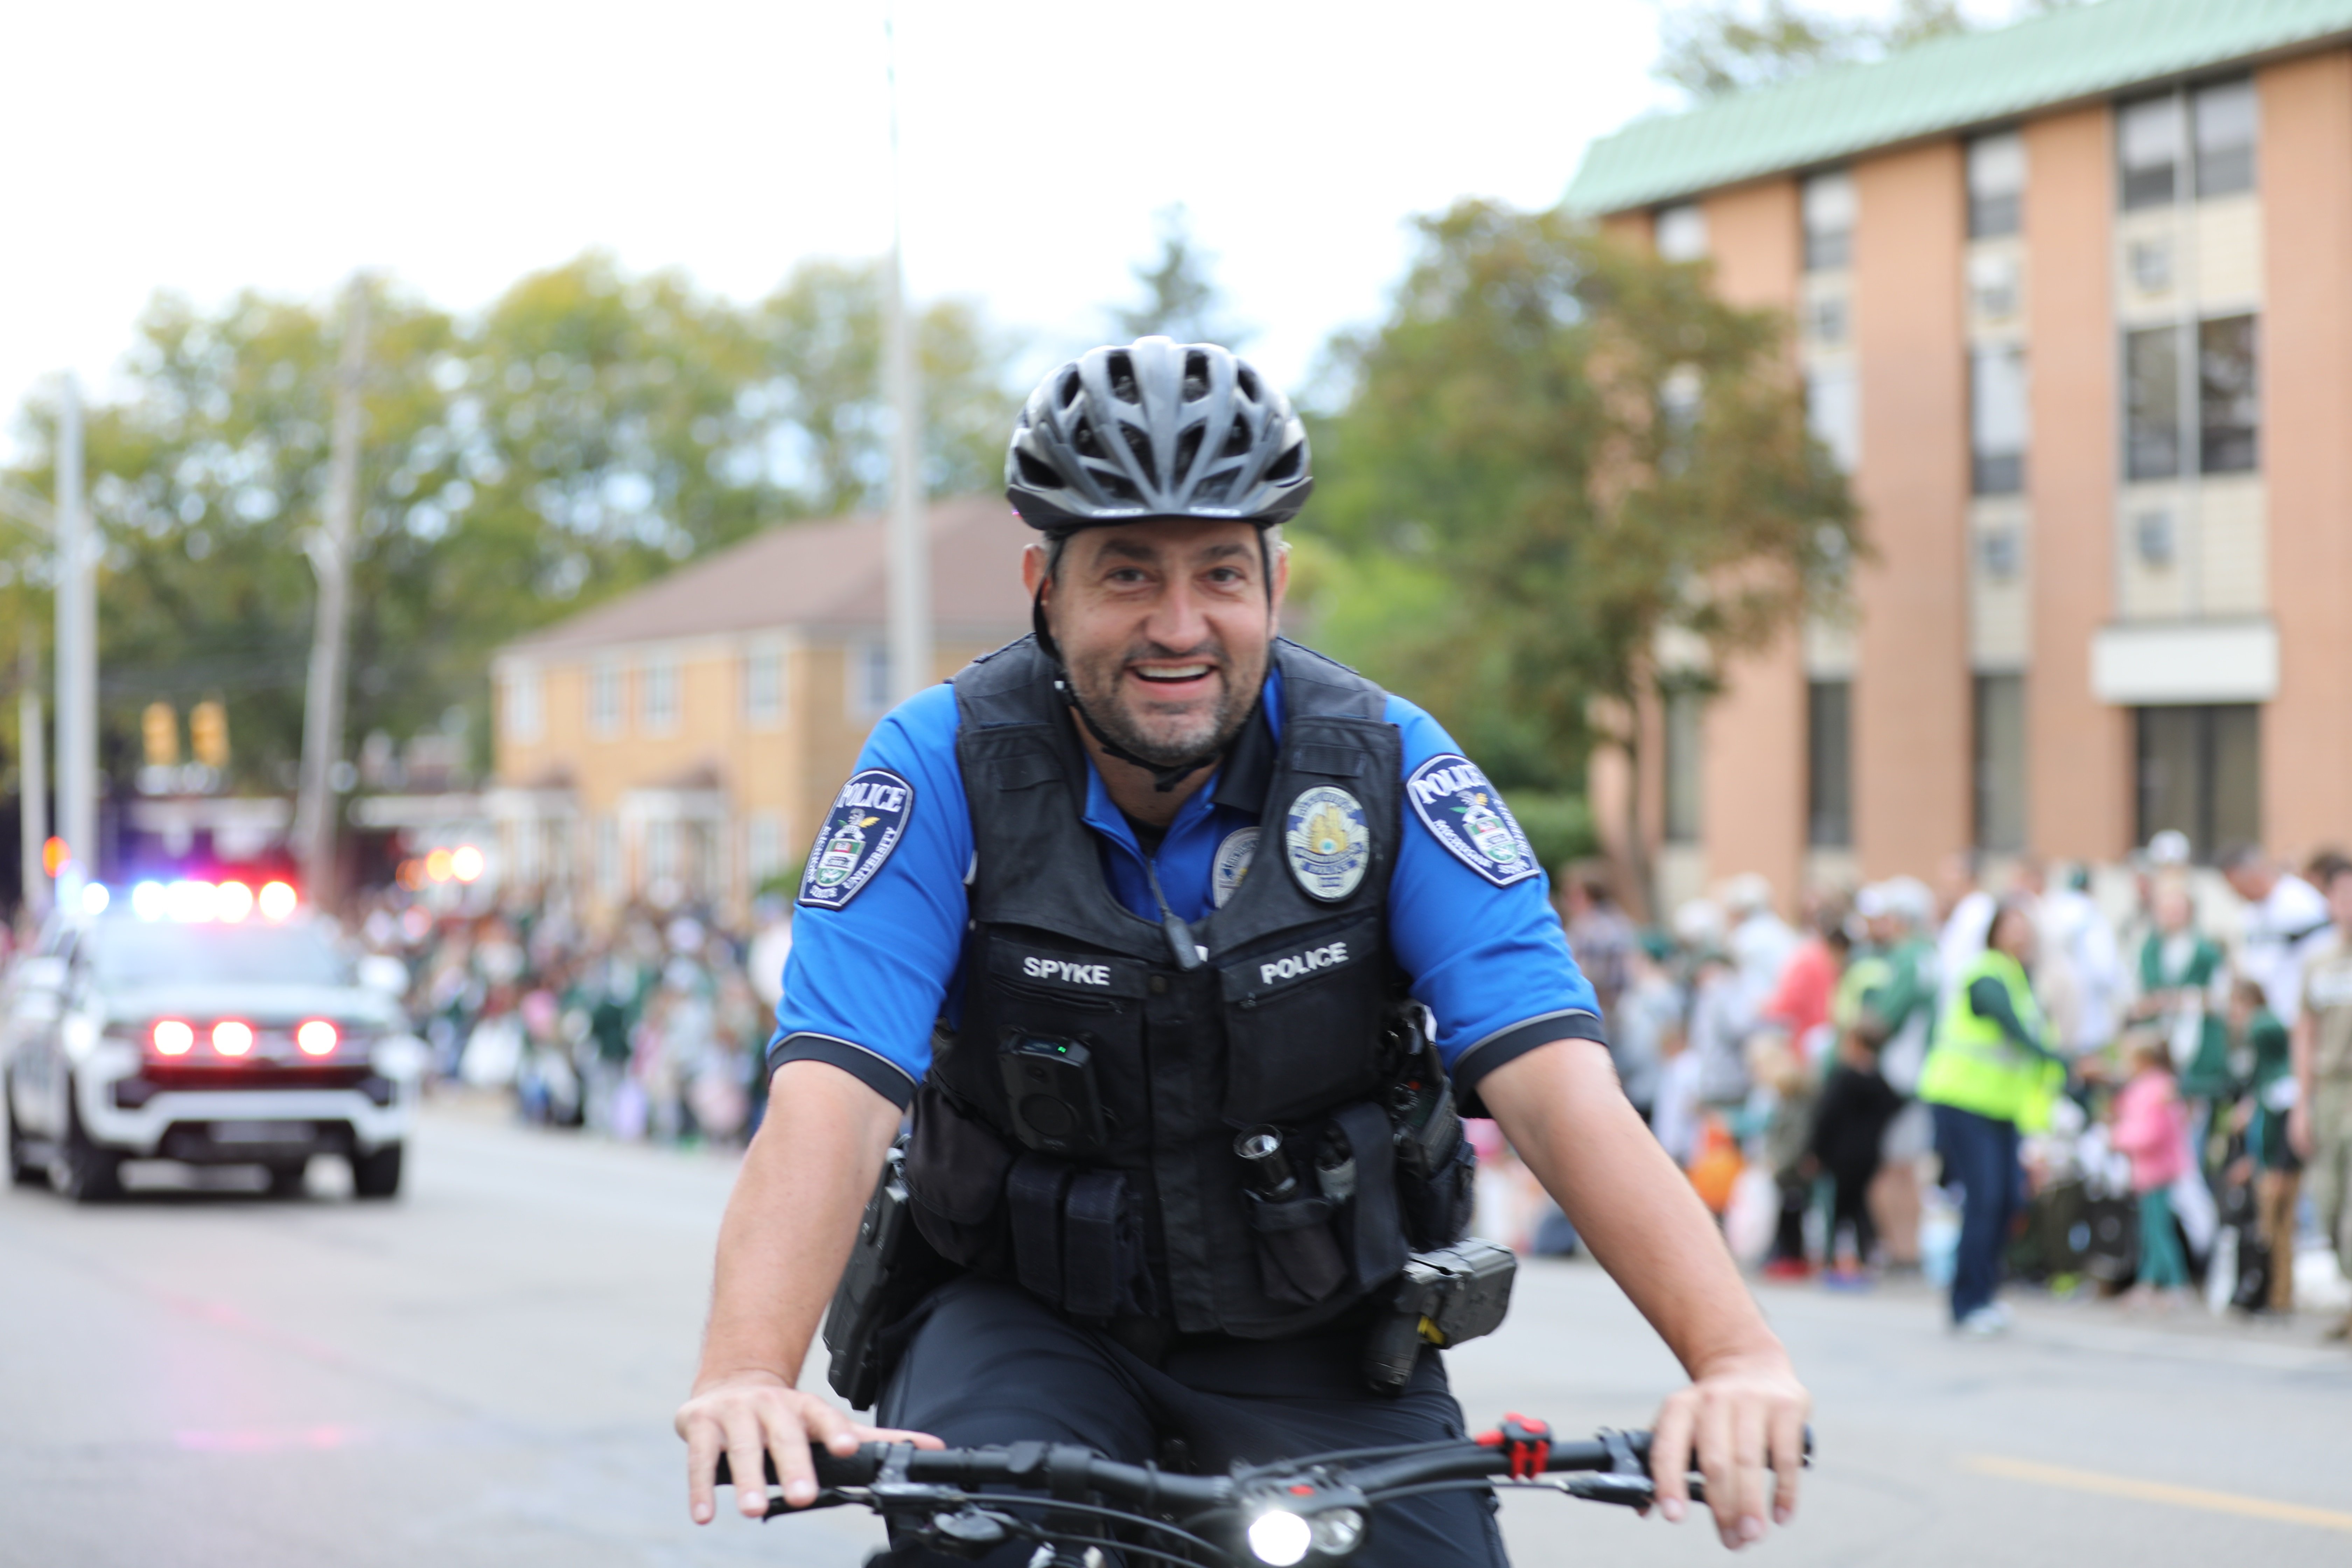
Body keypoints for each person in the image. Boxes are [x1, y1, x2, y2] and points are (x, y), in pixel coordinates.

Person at [673, 338, 1809, 1559]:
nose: (1179, 626)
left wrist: (1735, 1358)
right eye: (1126, 575)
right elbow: (831, 1101)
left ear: (1273, 579)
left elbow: (1557, 1085)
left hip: (1315, 1329)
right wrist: (747, 1370)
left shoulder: (1386, 763)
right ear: (1043, 588)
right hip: (1020, 1318)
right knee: (978, 1550)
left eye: (1220, 572)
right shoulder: (938, 760)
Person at [1918, 900, 2066, 1335]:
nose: (2020, 935)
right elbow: (2009, 1027)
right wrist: (2055, 1056)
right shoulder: (1986, 972)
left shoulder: (2023, 982)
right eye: (2011, 926)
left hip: (2001, 1108)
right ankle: (1967, 1302)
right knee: (1983, 1199)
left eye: (2026, 928)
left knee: (2007, 1202)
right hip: (1964, 1101)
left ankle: (1985, 1294)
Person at [2289, 862, 2352, 1341]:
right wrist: (2302, 1102)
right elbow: (2305, 1033)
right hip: (2329, 1091)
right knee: (2326, 1203)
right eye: (2342, 896)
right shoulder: (2319, 963)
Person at [2230, 976, 2299, 1315]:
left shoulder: (2281, 1089)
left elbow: (2285, 1132)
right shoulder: (2267, 1091)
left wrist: (2279, 1168)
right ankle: (2273, 1294)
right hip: (2268, 1162)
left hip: (2277, 1167)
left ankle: (2279, 1296)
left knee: (2277, 1231)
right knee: (2274, 1231)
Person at [2110, 1037, 2191, 1308]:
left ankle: (2175, 1283)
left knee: (2159, 1230)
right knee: (2150, 1230)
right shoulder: (2151, 1088)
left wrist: (2119, 1139)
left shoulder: (2156, 1090)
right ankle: (2150, 1281)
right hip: (2147, 1170)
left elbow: (2151, 1132)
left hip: (2156, 1170)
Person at [2221, 844, 2334, 1028]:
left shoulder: (2302, 903)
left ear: (2253, 876)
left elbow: (2323, 959)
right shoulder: (2249, 914)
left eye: (2238, 887)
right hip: (2264, 1021)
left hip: (2295, 1016)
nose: (2237, 895)